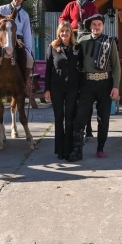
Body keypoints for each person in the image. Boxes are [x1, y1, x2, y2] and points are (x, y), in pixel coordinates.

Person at [67, 14, 120, 162]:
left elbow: (116, 67)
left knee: (103, 118)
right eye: (94, 24)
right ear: (90, 26)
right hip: (87, 84)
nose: (97, 27)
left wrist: (116, 87)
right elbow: (74, 61)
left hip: (105, 84)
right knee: (81, 116)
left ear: (103, 26)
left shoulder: (109, 42)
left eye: (99, 24)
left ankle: (100, 148)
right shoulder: (82, 41)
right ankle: (77, 149)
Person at [59, 0, 98, 138]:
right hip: (74, 35)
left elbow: (96, 19)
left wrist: (90, 26)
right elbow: (63, 18)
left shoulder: (92, 6)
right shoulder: (70, 5)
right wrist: (68, 26)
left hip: (88, 36)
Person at [44, 22, 81, 160]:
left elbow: (81, 68)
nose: (64, 34)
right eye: (62, 31)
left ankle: (69, 149)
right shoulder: (52, 47)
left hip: (72, 87)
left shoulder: (77, 47)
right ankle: (60, 150)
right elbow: (48, 70)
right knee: (59, 118)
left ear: (71, 33)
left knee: (70, 118)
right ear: (58, 33)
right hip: (57, 87)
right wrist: (47, 89)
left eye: (67, 31)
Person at [0, 0, 36, 92]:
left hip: (19, 41)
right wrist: (1, 37)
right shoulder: (2, 9)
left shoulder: (25, 15)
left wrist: (28, 49)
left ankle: (23, 84)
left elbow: (27, 33)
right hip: (2, 40)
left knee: (29, 60)